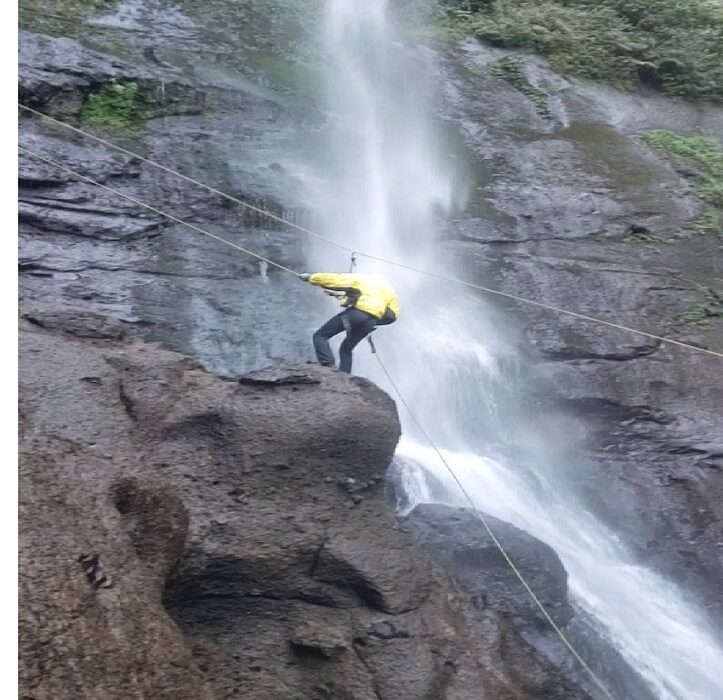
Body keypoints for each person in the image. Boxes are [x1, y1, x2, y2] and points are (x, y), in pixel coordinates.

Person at [299, 272, 400, 373]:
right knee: (346, 349)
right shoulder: (390, 292)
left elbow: (334, 280)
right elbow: (392, 316)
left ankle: (328, 365)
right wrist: (375, 321)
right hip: (371, 321)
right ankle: (345, 375)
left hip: (355, 314)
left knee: (320, 336)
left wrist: (311, 278)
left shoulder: (363, 279)